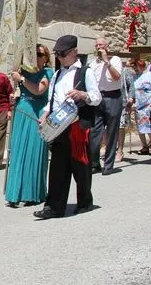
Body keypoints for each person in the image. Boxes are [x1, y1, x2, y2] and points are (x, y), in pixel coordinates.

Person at [33, 35, 101, 220]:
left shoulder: (85, 72)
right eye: (58, 54)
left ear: (74, 52)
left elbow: (97, 97)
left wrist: (82, 94)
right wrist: (45, 115)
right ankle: (53, 207)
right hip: (58, 126)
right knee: (57, 168)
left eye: (63, 54)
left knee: (81, 167)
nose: (60, 57)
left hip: (78, 125)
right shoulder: (57, 74)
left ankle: (85, 202)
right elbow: (51, 101)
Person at [4, 44, 53, 207]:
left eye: (40, 54)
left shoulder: (48, 72)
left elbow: (39, 90)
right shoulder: (23, 71)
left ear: (46, 58)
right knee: (18, 150)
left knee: (33, 150)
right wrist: (14, 97)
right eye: (34, 54)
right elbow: (20, 91)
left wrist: (22, 80)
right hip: (22, 110)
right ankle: (14, 193)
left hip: (37, 113)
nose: (37, 57)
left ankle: (33, 193)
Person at [87, 36, 124, 175]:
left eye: (101, 45)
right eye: (97, 45)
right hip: (98, 98)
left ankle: (108, 165)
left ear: (107, 47)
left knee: (111, 132)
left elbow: (116, 77)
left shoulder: (115, 60)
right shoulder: (92, 63)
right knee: (94, 132)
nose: (99, 47)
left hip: (113, 97)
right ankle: (95, 163)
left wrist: (106, 62)